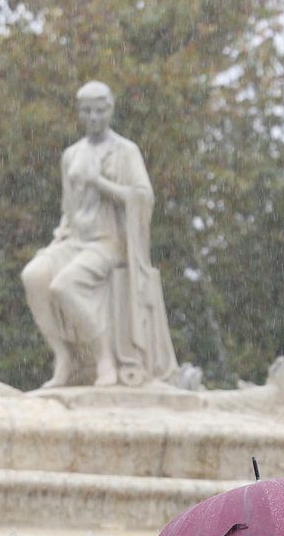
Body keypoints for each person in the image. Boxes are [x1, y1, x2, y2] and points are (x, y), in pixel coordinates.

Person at [20, 80, 177, 388]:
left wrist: (99, 182)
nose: (93, 118)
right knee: (33, 276)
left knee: (65, 286)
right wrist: (59, 238)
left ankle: (104, 358)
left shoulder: (125, 151)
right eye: (87, 111)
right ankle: (64, 357)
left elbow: (142, 198)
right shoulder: (71, 154)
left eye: (99, 111)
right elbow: (69, 206)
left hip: (109, 242)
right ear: (80, 113)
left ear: (110, 110)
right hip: (75, 240)